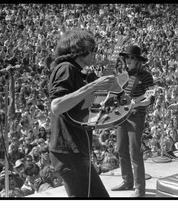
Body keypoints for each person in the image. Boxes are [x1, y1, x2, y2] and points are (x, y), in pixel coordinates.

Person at [48, 28, 117, 197]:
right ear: (80, 49)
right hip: (68, 152)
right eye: (92, 49)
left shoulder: (81, 72)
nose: (95, 53)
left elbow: (83, 107)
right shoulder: (66, 68)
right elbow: (56, 105)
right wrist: (94, 86)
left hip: (77, 149)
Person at [111, 45, 155, 197]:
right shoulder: (122, 75)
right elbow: (117, 95)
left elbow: (151, 98)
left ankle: (140, 189)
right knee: (121, 149)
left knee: (135, 152)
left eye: (132, 58)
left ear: (138, 60)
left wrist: (139, 103)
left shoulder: (146, 76)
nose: (128, 60)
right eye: (127, 58)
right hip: (122, 116)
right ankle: (127, 181)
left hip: (136, 116)